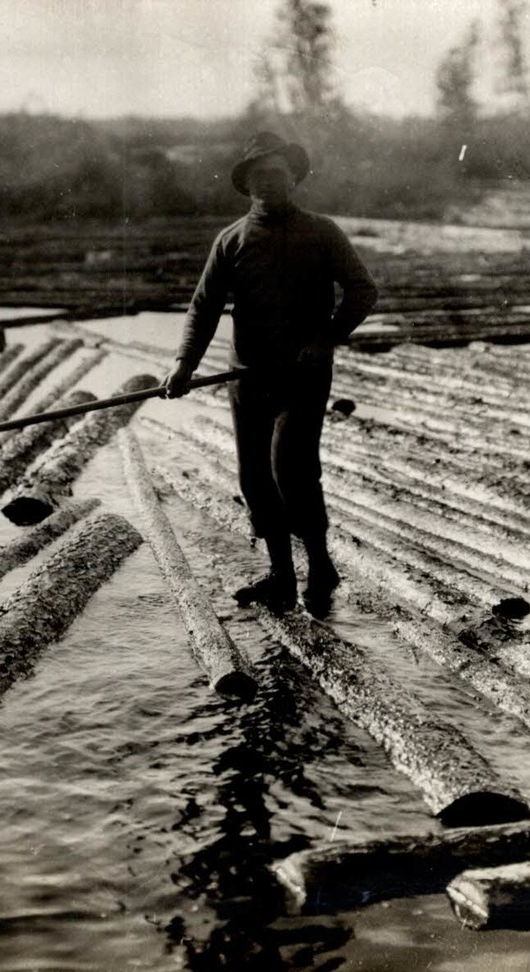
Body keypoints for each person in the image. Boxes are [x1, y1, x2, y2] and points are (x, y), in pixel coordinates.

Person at [163, 131, 377, 614]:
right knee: (254, 480)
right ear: (247, 185)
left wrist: (325, 338)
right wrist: (184, 364)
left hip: (302, 379)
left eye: (279, 175)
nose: (270, 184)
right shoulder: (231, 240)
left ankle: (320, 565)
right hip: (247, 379)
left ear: (294, 179)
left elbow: (363, 291)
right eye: (260, 177)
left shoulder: (322, 232)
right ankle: (281, 577)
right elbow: (204, 308)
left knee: (292, 473)